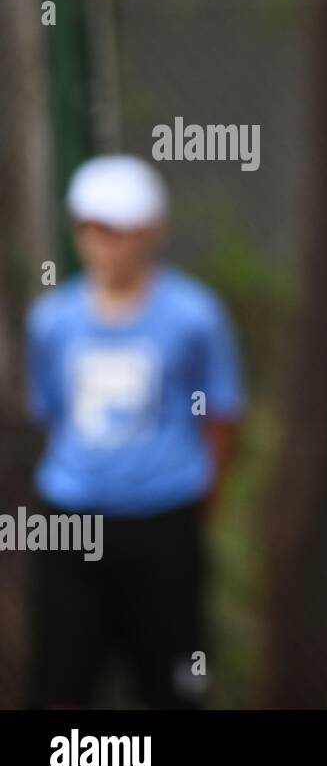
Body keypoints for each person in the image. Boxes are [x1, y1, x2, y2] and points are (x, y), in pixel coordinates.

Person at [24, 154, 244, 708]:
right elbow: (51, 414)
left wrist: (194, 503)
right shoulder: (51, 320)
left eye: (120, 230)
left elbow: (220, 419)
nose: (107, 244)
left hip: (163, 526)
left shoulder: (196, 316)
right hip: (71, 528)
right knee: (61, 682)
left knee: (175, 685)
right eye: (94, 229)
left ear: (151, 232)